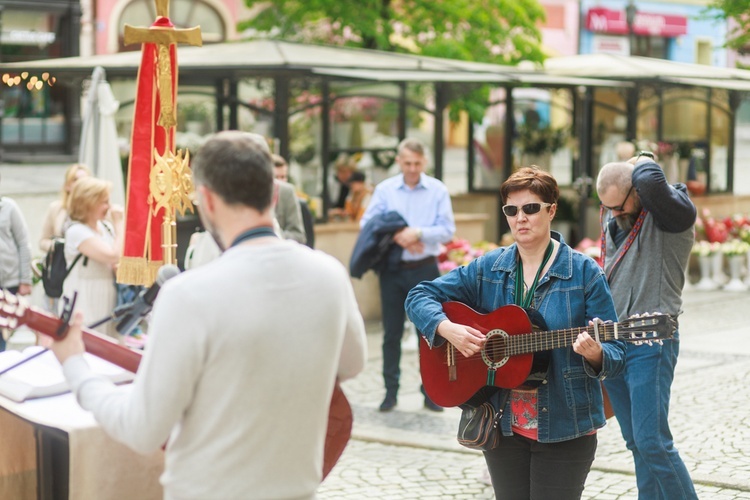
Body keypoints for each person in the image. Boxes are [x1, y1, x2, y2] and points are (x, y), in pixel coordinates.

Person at [49, 130, 368, 499]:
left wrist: (75, 365)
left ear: (207, 200)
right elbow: (352, 364)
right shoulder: (329, 275)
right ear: (275, 192)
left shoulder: (188, 295)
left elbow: (141, 429)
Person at [405, 166, 626, 498]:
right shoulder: (490, 268)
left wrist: (596, 355)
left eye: (531, 208)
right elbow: (418, 295)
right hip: (503, 423)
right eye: (512, 210)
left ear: (551, 210)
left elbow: (617, 353)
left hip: (566, 425)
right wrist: (446, 328)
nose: (520, 218)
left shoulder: (583, 273)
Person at [596, 153, 698, 499]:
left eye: (620, 206)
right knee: (636, 443)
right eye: (607, 208)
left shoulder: (673, 217)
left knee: (653, 441)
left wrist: (642, 159)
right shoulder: (617, 222)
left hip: (652, 345)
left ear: (637, 191)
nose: (614, 215)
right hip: (616, 345)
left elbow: (654, 183)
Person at [359, 137, 455, 412]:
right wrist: (399, 235)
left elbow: (447, 229)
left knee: (430, 332)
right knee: (391, 333)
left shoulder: (437, 190)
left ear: (424, 162)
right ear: (399, 161)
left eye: (417, 163)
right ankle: (390, 393)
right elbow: (368, 223)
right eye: (407, 163)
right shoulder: (385, 189)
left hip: (425, 269)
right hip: (393, 270)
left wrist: (420, 233)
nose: (412, 168)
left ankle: (430, 393)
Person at [62, 176, 123, 338]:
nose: (109, 206)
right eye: (104, 202)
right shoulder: (76, 232)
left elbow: (118, 258)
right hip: (85, 298)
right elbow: (113, 255)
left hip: (108, 296)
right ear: (88, 203)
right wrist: (120, 223)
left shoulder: (106, 228)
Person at [0, 174, 33, 351]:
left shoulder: (9, 207)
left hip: (7, 283)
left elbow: (23, 243)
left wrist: (25, 279)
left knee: (2, 333)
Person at [39, 163, 91, 253]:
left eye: (84, 180)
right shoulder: (56, 208)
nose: (80, 184)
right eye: (75, 180)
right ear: (67, 185)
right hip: (62, 263)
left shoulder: (98, 209)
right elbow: (43, 242)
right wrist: (59, 246)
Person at [272, 154, 315, 247]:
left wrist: (274, 235)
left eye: (283, 177)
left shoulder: (300, 204)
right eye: (276, 178)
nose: (281, 182)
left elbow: (304, 239)